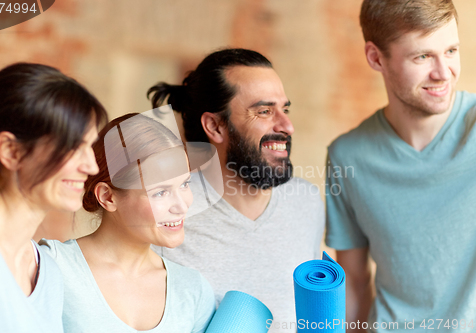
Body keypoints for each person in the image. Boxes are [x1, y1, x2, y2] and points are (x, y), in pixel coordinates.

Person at [147, 48, 325, 333]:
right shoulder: (163, 213)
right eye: (265, 111)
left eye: (285, 109)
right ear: (215, 126)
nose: (287, 125)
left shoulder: (306, 202)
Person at [325, 1, 476, 332]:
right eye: (422, 57)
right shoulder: (347, 157)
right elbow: (353, 282)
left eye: (451, 50)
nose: (442, 72)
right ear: (376, 57)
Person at [40, 113, 216, 333]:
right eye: (160, 192)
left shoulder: (192, 290)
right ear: (107, 197)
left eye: (184, 184)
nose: (181, 206)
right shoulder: (50, 267)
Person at [0, 63, 107, 332]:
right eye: (72, 147)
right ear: (11, 151)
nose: (91, 167)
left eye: (89, 147)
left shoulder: (48, 272)